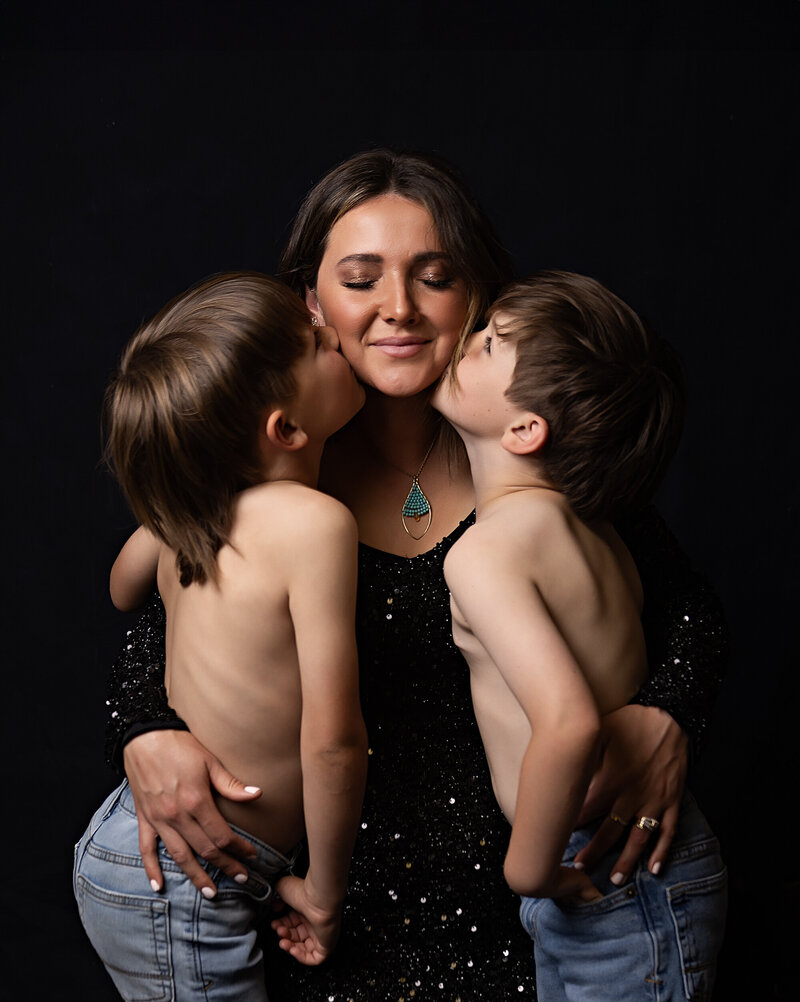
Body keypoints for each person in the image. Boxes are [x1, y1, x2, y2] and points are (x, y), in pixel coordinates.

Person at [103, 149, 729, 1000]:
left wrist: (667, 712)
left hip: (544, 918)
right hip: (323, 922)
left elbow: (687, 606)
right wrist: (143, 729)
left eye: (434, 276)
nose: (398, 308)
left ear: (477, 295)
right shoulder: (274, 478)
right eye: (361, 280)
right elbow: (155, 622)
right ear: (311, 302)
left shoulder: (540, 463)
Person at [433, 271, 727, 1000]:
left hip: (607, 870)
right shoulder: (592, 528)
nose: (465, 341)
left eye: (489, 343)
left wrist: (525, 872)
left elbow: (568, 722)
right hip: (630, 862)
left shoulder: (485, 552)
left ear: (525, 428)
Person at [74, 272, 368, 1000]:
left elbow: (120, 589)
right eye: (320, 343)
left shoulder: (188, 517)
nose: (336, 334)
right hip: (182, 876)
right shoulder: (315, 523)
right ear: (287, 430)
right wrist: (326, 892)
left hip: (146, 849)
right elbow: (333, 740)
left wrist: (182, 500)